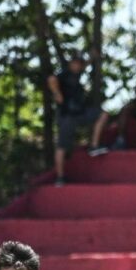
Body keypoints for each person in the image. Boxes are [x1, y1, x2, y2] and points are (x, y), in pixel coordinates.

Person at [47, 53, 110, 185]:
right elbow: (51, 79)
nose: (78, 66)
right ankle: (60, 177)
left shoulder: (77, 73)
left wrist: (92, 57)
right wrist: (56, 92)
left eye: (80, 64)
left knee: (102, 114)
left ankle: (94, 146)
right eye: (76, 64)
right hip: (67, 116)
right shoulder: (64, 75)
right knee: (62, 146)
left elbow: (84, 65)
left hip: (80, 113)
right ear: (71, 64)